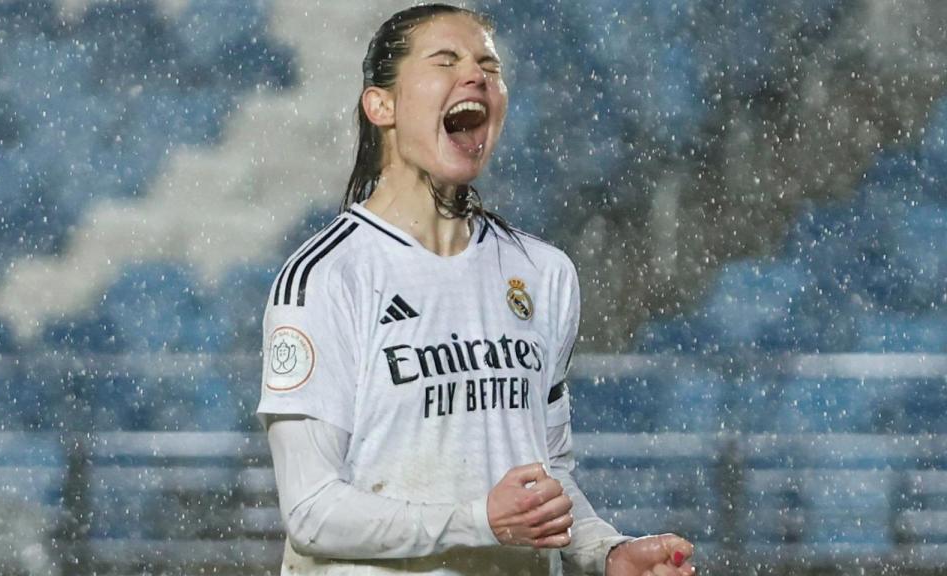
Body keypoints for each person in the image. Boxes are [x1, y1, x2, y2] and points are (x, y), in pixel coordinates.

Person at [256, 4, 696, 575]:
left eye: (490, 65)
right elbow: (312, 511)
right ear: (380, 104)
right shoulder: (325, 278)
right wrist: (477, 521)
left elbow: (548, 474)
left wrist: (601, 551)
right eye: (446, 61)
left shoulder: (544, 273)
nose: (477, 76)